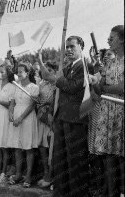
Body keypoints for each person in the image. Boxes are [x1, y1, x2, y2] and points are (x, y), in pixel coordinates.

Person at [38, 36, 93, 197]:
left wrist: (57, 79)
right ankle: (62, 192)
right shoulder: (68, 67)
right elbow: (51, 79)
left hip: (76, 120)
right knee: (60, 159)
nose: (68, 50)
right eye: (66, 47)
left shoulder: (85, 66)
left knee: (75, 161)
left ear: (81, 47)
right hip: (62, 118)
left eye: (72, 47)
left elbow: (73, 87)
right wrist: (41, 63)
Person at [89, 25, 124, 197]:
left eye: (112, 37)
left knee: (120, 157)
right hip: (106, 112)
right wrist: (95, 77)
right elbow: (98, 89)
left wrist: (104, 87)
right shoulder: (109, 62)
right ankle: (110, 193)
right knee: (108, 156)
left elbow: (122, 88)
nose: (108, 40)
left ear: (122, 39)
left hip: (121, 112)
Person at [8, 62, 39, 188]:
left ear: (28, 73)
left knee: (28, 147)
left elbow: (32, 105)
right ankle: (18, 174)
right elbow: (12, 102)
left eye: (21, 71)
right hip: (16, 116)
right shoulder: (15, 86)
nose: (18, 74)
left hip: (27, 118)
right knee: (17, 147)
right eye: (18, 71)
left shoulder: (34, 87)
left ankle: (28, 176)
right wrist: (10, 113)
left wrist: (21, 118)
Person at [36, 61, 57, 188]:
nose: (47, 72)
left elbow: (56, 101)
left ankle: (52, 175)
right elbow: (39, 99)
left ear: (54, 72)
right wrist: (38, 102)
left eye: (50, 70)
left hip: (52, 117)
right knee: (42, 147)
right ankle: (45, 172)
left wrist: (47, 105)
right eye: (45, 70)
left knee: (52, 147)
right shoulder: (41, 84)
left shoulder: (56, 84)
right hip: (41, 117)